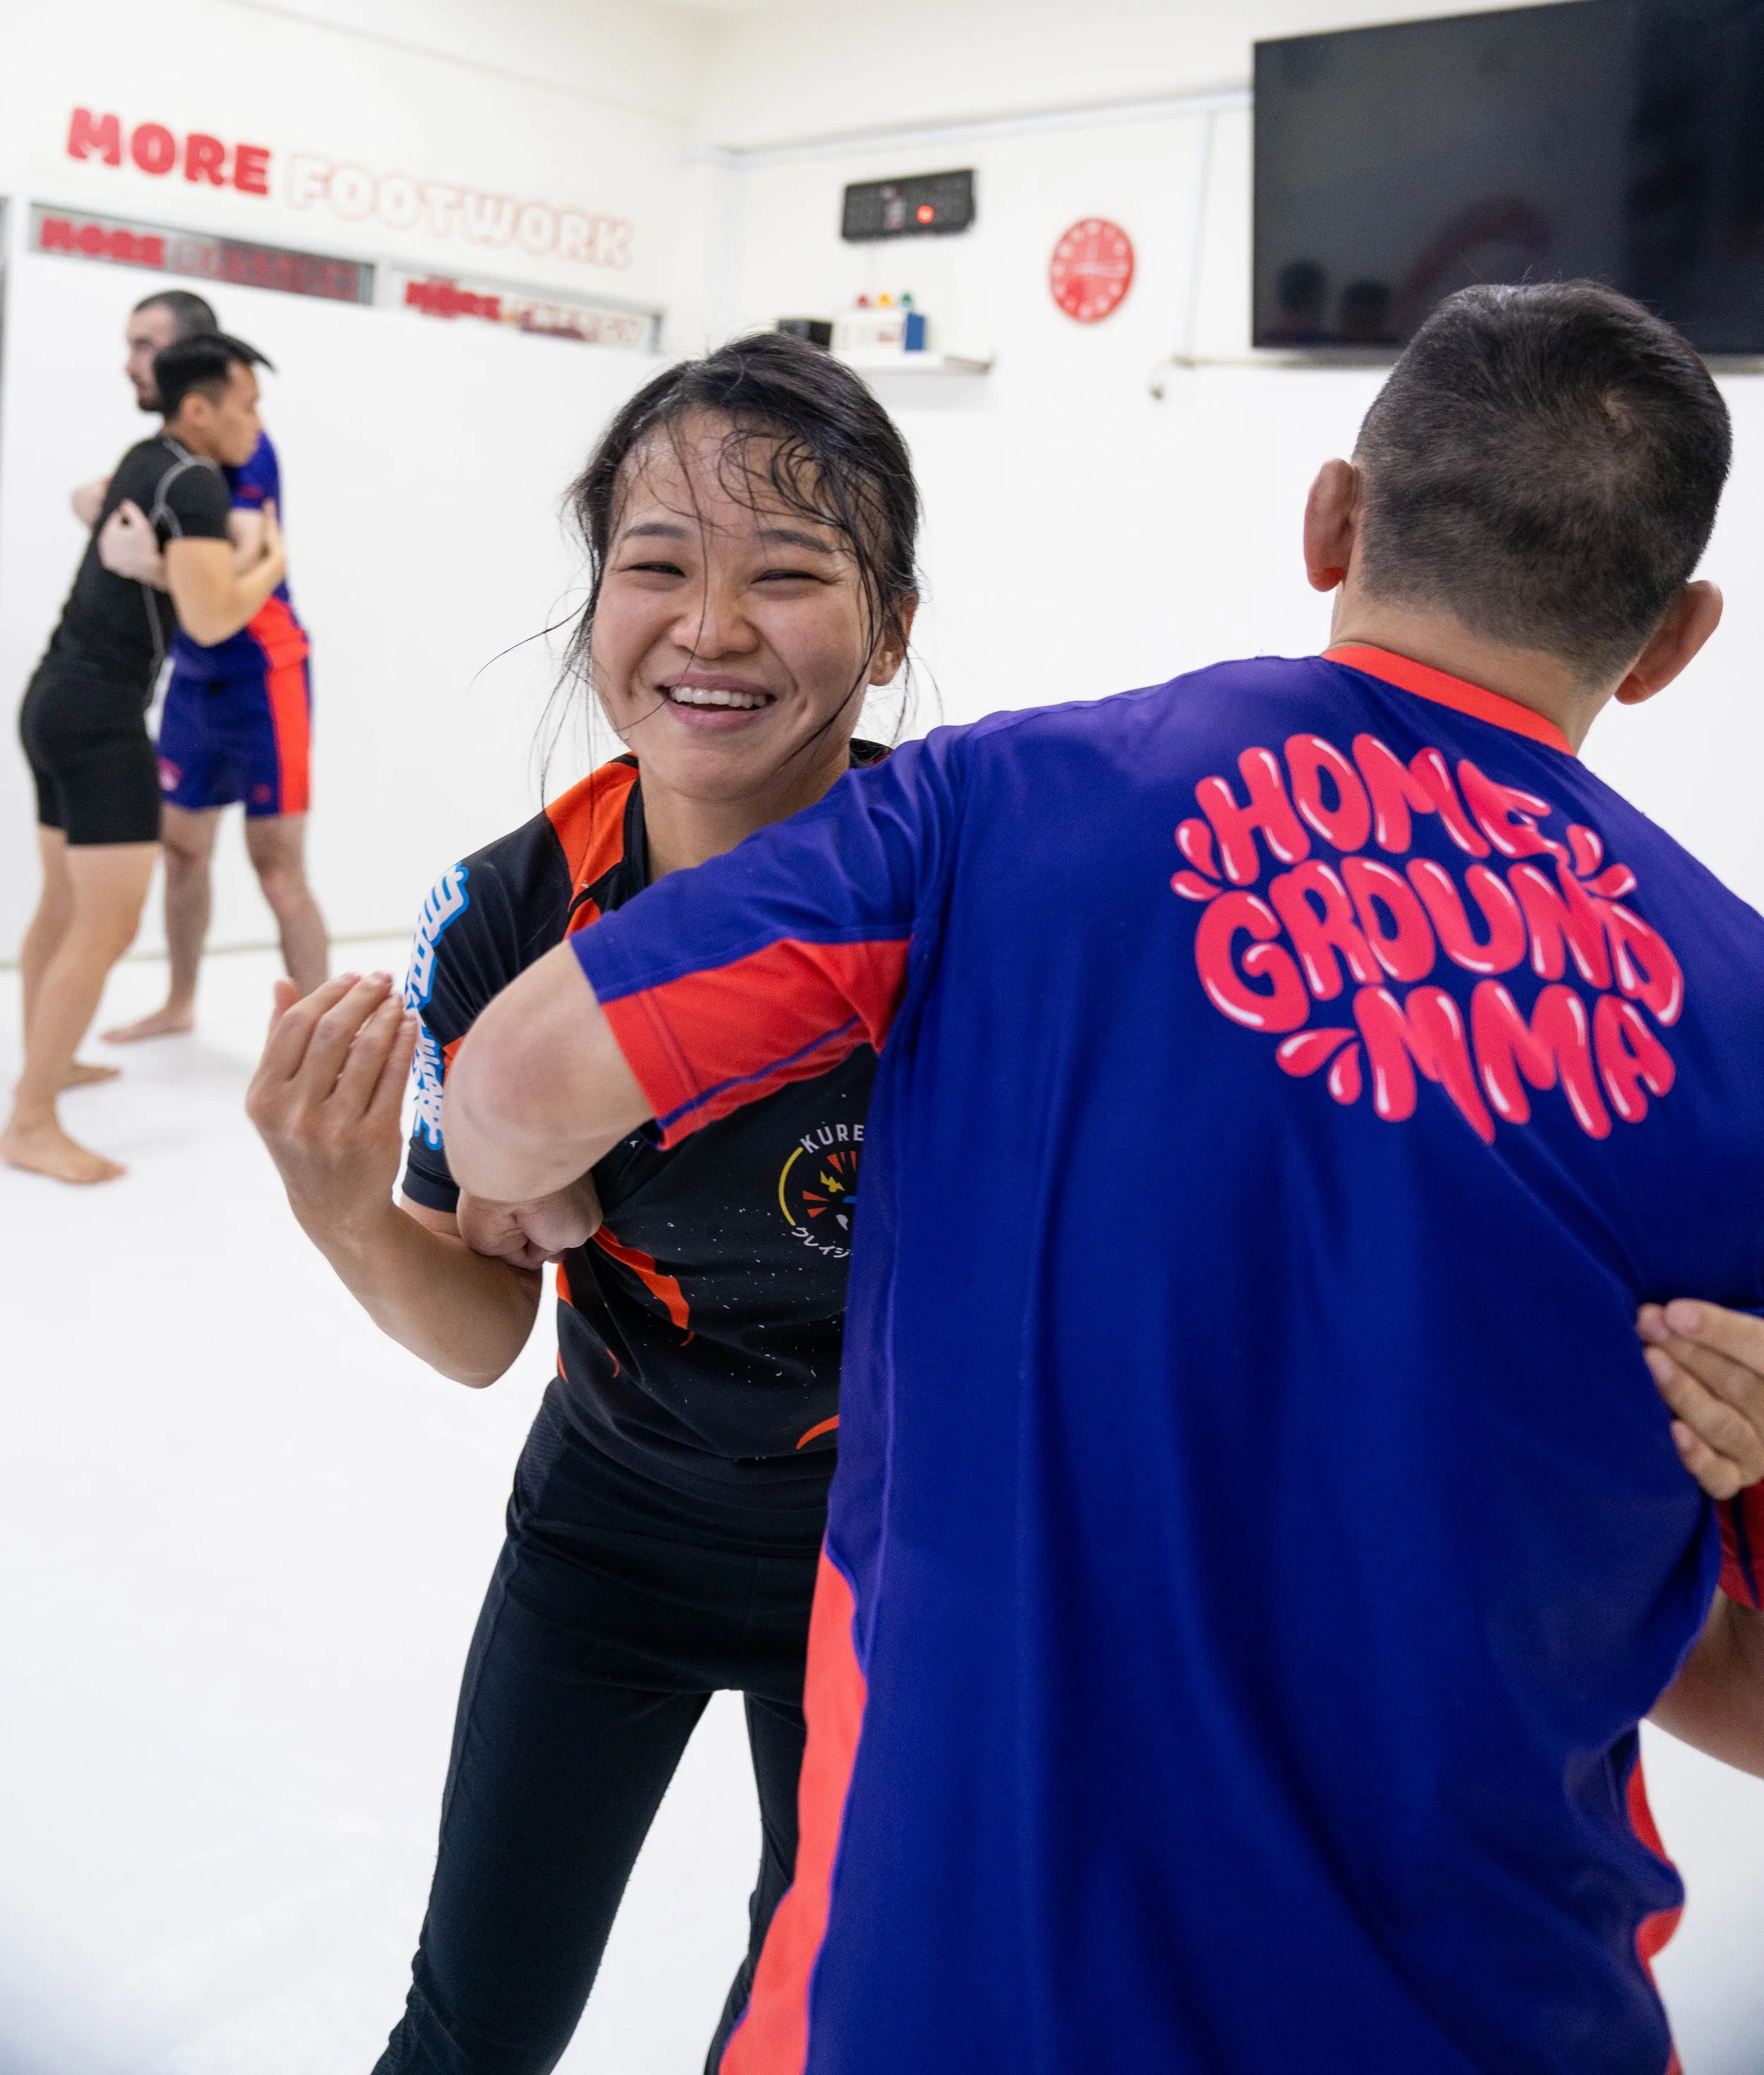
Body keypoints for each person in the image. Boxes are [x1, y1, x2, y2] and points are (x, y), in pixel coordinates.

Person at [430, 282, 1764, 2072]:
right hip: (1491, 2005)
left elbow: (512, 1090)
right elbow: (1732, 1686)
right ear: (1675, 634)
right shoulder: (1741, 1026)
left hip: (942, 1979)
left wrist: (528, 1174)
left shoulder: (1000, 807)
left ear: (1335, 520)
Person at [247, 335, 919, 2072]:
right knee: (472, 2026)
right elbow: (482, 1331)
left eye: (789, 571)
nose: (709, 625)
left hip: (891, 1566)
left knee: (812, 2028)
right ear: (593, 592)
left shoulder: (971, 888)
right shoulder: (507, 906)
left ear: (892, 624)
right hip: (605, 1533)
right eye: (655, 563)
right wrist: (342, 1207)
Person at [8, 334, 289, 1185]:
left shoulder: (148, 457)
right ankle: (29, 1121)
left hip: (54, 699)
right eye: (245, 403)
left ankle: (46, 1072)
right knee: (108, 923)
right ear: (199, 409)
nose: (255, 420)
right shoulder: (197, 482)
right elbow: (211, 620)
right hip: (100, 720)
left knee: (62, 906)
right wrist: (269, 563)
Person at [80, 287, 327, 1041]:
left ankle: (323, 1031)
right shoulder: (168, 456)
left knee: (276, 867)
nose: (133, 363)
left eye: (146, 346)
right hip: (194, 677)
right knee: (183, 851)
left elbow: (233, 571)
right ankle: (180, 1002)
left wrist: (147, 558)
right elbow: (96, 501)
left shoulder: (242, 442)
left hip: (264, 673)